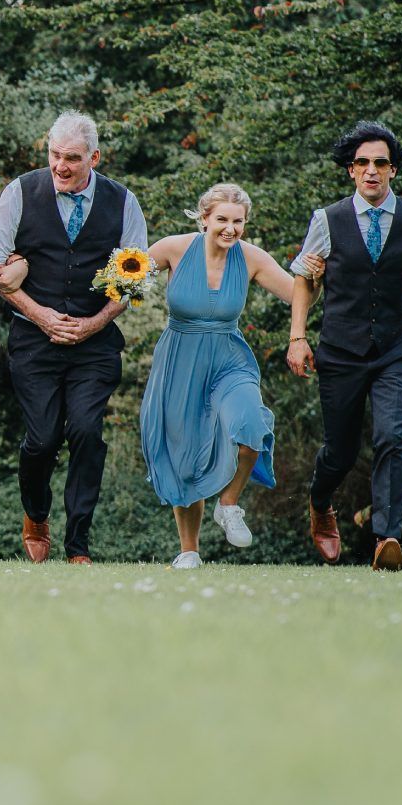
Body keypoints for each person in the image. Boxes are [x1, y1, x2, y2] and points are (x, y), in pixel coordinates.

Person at [288, 120, 402, 572]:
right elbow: (304, 279)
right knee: (340, 452)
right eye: (362, 163)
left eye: (380, 163)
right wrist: (298, 337)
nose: (371, 171)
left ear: (394, 170)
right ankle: (320, 499)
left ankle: (388, 538)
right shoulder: (327, 219)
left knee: (392, 437)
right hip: (340, 351)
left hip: (393, 349)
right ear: (351, 171)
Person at [0, 111, 148, 564]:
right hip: (34, 341)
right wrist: (41, 316)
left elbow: (134, 277)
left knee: (88, 433)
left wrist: (94, 323)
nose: (61, 166)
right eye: (54, 155)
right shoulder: (21, 191)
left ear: (94, 156)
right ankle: (36, 514)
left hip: (95, 344)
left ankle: (78, 544)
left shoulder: (123, 201)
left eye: (72, 158)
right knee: (42, 439)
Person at [137, 183, 305, 569]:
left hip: (230, 359)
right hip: (180, 361)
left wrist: (315, 273)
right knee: (185, 453)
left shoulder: (251, 258)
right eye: (222, 220)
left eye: (238, 221)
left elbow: (298, 295)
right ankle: (189, 551)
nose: (230, 229)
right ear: (204, 219)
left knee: (251, 424)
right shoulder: (173, 249)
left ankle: (229, 504)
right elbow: (123, 279)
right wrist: (120, 283)